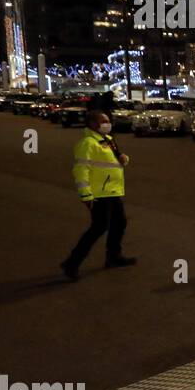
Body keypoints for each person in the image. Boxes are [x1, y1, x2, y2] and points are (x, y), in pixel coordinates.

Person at [61, 109, 135, 279]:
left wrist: (124, 158)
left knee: (119, 223)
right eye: (104, 121)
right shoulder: (88, 143)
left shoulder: (107, 140)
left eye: (108, 121)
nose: (108, 124)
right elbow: (81, 169)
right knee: (98, 228)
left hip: (112, 191)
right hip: (99, 194)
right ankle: (72, 263)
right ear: (93, 124)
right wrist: (85, 194)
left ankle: (113, 256)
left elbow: (112, 161)